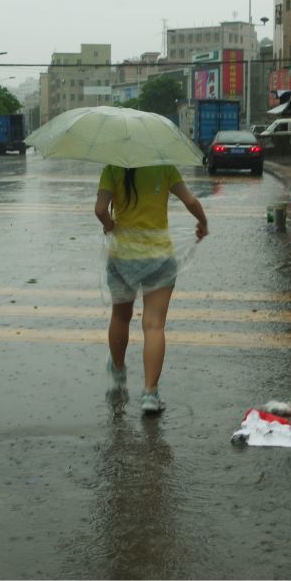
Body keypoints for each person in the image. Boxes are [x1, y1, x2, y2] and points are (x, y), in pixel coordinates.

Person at [95, 165, 208, 414]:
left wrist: (110, 224)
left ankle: (118, 375)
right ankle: (150, 393)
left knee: (120, 317)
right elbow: (190, 200)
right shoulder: (164, 167)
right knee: (154, 325)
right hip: (159, 257)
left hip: (122, 257)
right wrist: (202, 221)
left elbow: (100, 209)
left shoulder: (112, 168)